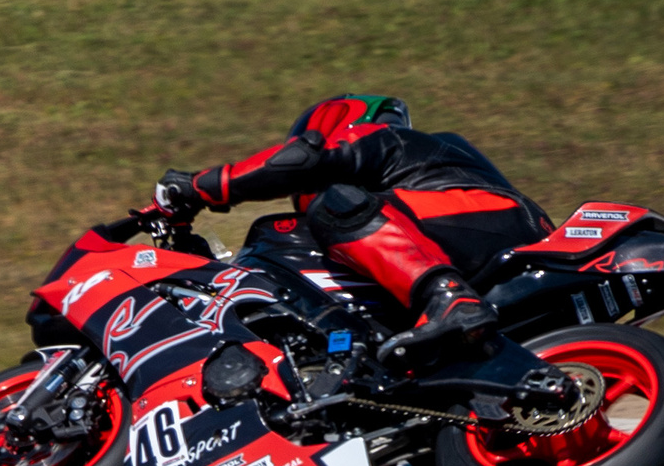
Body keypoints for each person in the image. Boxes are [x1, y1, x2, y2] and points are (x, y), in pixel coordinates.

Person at [147, 95, 553, 362]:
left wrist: (199, 186)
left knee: (336, 204)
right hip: (483, 245)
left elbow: (303, 160)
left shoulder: (385, 139)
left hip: (492, 223)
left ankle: (450, 300)